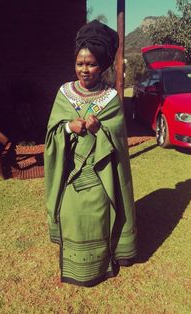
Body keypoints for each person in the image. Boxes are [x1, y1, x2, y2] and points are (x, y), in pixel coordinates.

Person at [44, 20, 137, 287]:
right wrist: (68, 127)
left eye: (91, 64)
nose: (85, 70)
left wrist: (100, 131)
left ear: (103, 65)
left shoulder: (110, 99)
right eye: (80, 63)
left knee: (99, 215)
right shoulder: (64, 93)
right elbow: (51, 133)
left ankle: (100, 264)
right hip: (72, 172)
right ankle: (74, 264)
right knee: (72, 214)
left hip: (100, 171)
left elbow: (117, 137)